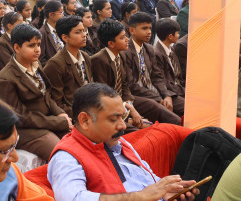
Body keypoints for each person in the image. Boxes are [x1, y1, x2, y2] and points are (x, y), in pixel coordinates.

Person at [48, 83, 198, 201]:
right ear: (85, 120)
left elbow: (149, 182)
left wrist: (167, 190)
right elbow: (73, 198)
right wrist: (139, 197)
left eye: (123, 117)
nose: (123, 126)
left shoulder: (120, 143)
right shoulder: (66, 157)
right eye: (113, 119)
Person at [0, 23, 72, 161]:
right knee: (61, 154)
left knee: (80, 141)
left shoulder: (35, 64)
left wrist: (60, 113)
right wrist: (57, 122)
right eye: (31, 46)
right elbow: (20, 118)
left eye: (39, 45)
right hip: (25, 130)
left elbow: (46, 95)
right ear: (17, 48)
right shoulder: (5, 79)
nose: (37, 50)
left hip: (45, 121)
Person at [122, 12, 183, 125]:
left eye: (150, 28)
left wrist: (166, 95)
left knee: (187, 108)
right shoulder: (126, 51)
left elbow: (157, 77)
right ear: (132, 30)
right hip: (139, 96)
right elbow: (132, 85)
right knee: (175, 120)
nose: (149, 32)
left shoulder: (149, 49)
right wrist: (159, 98)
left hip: (156, 92)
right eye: (144, 28)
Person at [91, 20, 145, 130]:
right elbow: (104, 94)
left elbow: (124, 84)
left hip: (123, 100)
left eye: (126, 36)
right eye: (122, 37)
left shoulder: (122, 55)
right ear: (111, 44)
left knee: (153, 106)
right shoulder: (99, 60)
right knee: (141, 128)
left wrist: (129, 103)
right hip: (109, 105)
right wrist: (129, 109)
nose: (127, 39)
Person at [43, 16, 93, 116]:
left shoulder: (85, 57)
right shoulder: (55, 64)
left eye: (84, 31)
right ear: (65, 37)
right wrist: (82, 115)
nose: (84, 35)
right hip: (73, 114)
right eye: (78, 32)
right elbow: (56, 102)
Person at [153, 18, 185, 94]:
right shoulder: (157, 54)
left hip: (179, 87)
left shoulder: (172, 50)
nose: (179, 35)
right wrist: (186, 92)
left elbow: (179, 77)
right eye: (177, 33)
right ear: (170, 36)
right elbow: (166, 83)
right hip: (171, 91)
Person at [37, 0, 64, 66]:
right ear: (51, 15)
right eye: (60, 13)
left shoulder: (62, 29)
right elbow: (41, 60)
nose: (63, 15)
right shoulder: (42, 33)